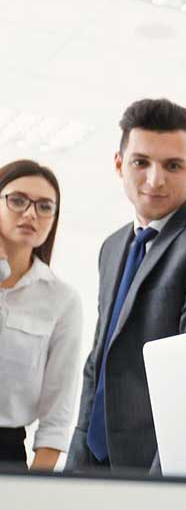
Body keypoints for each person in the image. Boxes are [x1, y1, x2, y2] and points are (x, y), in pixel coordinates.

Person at [66, 99, 186, 472]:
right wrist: (76, 461)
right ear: (118, 164)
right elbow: (99, 361)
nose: (155, 179)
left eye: (173, 165)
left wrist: (160, 481)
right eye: (140, 162)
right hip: (93, 457)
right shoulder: (112, 247)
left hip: (154, 462)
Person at [0, 160, 81, 471]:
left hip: (7, 456)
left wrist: (33, 490)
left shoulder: (61, 300)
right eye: (18, 200)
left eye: (45, 206)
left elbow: (57, 414)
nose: (31, 213)